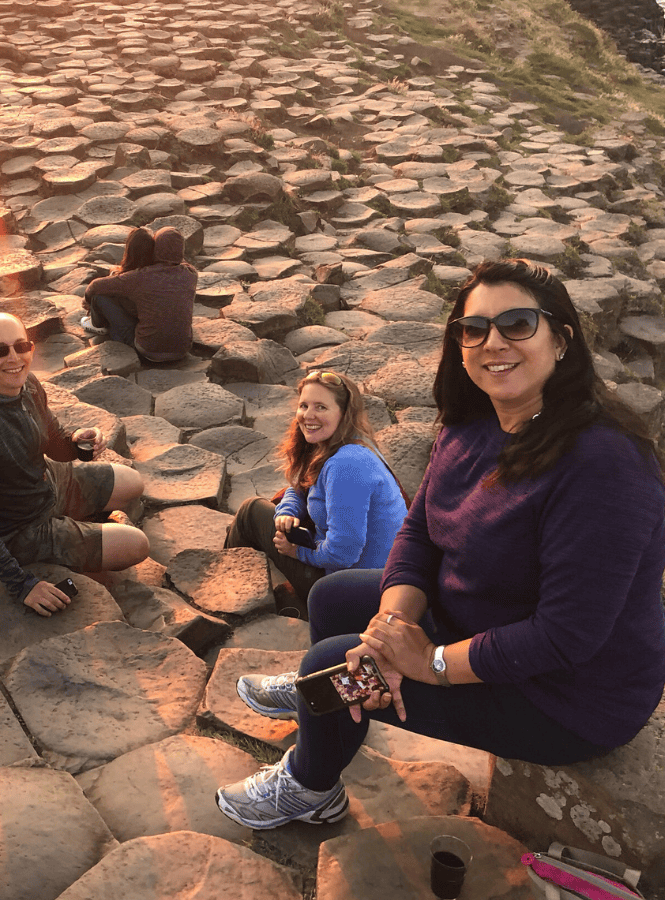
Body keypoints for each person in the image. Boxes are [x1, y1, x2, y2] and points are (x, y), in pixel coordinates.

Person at [216, 258, 665, 830]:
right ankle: (327, 707)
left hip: (566, 693)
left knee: (332, 663)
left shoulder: (605, 465)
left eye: (518, 325)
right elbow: (421, 533)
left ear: (562, 340)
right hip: (483, 614)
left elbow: (565, 637)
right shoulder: (471, 425)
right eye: (473, 330)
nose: (492, 343)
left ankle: (311, 786)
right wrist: (389, 632)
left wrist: (427, 663)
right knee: (334, 600)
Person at [0, 312, 149, 617]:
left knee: (134, 483)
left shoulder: (27, 384)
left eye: (21, 346)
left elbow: (54, 441)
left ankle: (75, 518)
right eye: (0, 351)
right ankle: (66, 536)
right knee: (138, 545)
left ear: (30, 348)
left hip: (47, 483)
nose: (13, 357)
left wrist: (79, 443)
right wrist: (22, 585)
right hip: (22, 528)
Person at [224, 370, 408, 604]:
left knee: (251, 512)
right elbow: (303, 485)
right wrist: (287, 511)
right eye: (304, 406)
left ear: (344, 413)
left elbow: (343, 554)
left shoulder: (347, 464)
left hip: (353, 592)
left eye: (321, 407)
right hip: (372, 578)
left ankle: (227, 589)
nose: (308, 415)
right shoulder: (348, 442)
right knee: (262, 511)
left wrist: (296, 552)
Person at [82, 226, 197, 363]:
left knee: (99, 297)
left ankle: (98, 325)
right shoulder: (190, 274)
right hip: (182, 349)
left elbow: (95, 286)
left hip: (148, 350)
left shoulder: (141, 277)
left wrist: (87, 301)